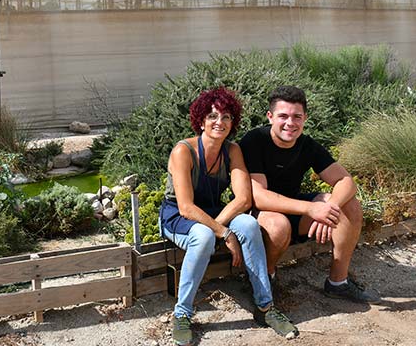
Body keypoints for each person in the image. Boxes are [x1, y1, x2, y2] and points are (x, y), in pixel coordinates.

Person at [160, 87, 298, 345]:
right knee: (202, 236)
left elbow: (244, 199)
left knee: (247, 223)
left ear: (232, 122)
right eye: (212, 116)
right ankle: (182, 314)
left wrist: (224, 228)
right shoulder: (184, 151)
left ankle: (265, 307)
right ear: (201, 121)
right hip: (177, 215)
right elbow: (186, 208)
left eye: (226, 117)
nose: (219, 123)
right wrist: (223, 233)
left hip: (213, 211)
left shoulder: (232, 151)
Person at [239, 85, 381, 304]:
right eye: (283, 116)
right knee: (279, 225)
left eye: (297, 116)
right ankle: (264, 279)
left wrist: (329, 208)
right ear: (270, 117)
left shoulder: (307, 145)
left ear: (305, 117)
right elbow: (259, 197)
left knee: (348, 204)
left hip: (295, 211)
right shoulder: (254, 141)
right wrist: (312, 209)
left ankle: (337, 283)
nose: (290, 123)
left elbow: (346, 181)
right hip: (257, 214)